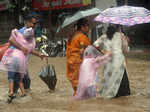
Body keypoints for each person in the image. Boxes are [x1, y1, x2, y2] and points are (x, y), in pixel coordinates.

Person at [0, 28, 46, 101]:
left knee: (11, 78)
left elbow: (10, 42)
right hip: (21, 63)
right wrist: (39, 54)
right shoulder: (27, 42)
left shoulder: (20, 39)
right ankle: (23, 93)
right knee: (20, 79)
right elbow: (11, 40)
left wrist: (39, 54)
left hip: (13, 60)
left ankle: (12, 92)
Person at [93, 25, 130, 99]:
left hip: (108, 60)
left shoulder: (104, 36)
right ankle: (120, 95)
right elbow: (125, 50)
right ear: (118, 28)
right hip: (119, 61)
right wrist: (127, 42)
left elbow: (94, 45)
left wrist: (103, 52)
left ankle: (107, 93)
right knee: (120, 79)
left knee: (108, 77)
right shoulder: (121, 36)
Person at [10, 14, 38, 93]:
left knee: (26, 80)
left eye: (35, 24)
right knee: (18, 80)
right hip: (16, 60)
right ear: (27, 22)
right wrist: (21, 48)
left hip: (22, 62)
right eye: (33, 23)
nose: (34, 25)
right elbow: (11, 40)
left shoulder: (29, 32)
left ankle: (24, 97)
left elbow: (29, 49)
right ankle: (13, 96)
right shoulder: (22, 31)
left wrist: (39, 54)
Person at [66, 18, 91, 96]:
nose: (89, 28)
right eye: (87, 26)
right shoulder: (82, 37)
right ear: (82, 27)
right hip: (78, 62)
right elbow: (89, 50)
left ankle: (76, 104)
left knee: (76, 85)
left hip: (70, 62)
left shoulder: (72, 36)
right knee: (81, 87)